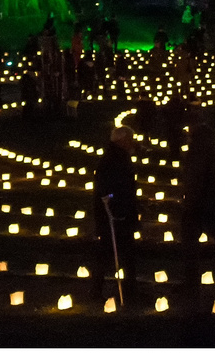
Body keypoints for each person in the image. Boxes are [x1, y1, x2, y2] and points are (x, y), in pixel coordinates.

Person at [90, 125, 139, 304]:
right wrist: (113, 205)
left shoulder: (119, 157)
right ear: (122, 140)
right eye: (130, 139)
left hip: (122, 213)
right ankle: (98, 291)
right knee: (108, 254)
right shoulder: (111, 160)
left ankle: (130, 291)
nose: (132, 143)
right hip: (115, 216)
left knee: (126, 255)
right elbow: (106, 188)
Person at [180, 110, 215, 271]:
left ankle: (191, 283)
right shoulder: (212, 139)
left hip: (203, 201)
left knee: (190, 242)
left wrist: (189, 200)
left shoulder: (199, 143)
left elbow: (196, 174)